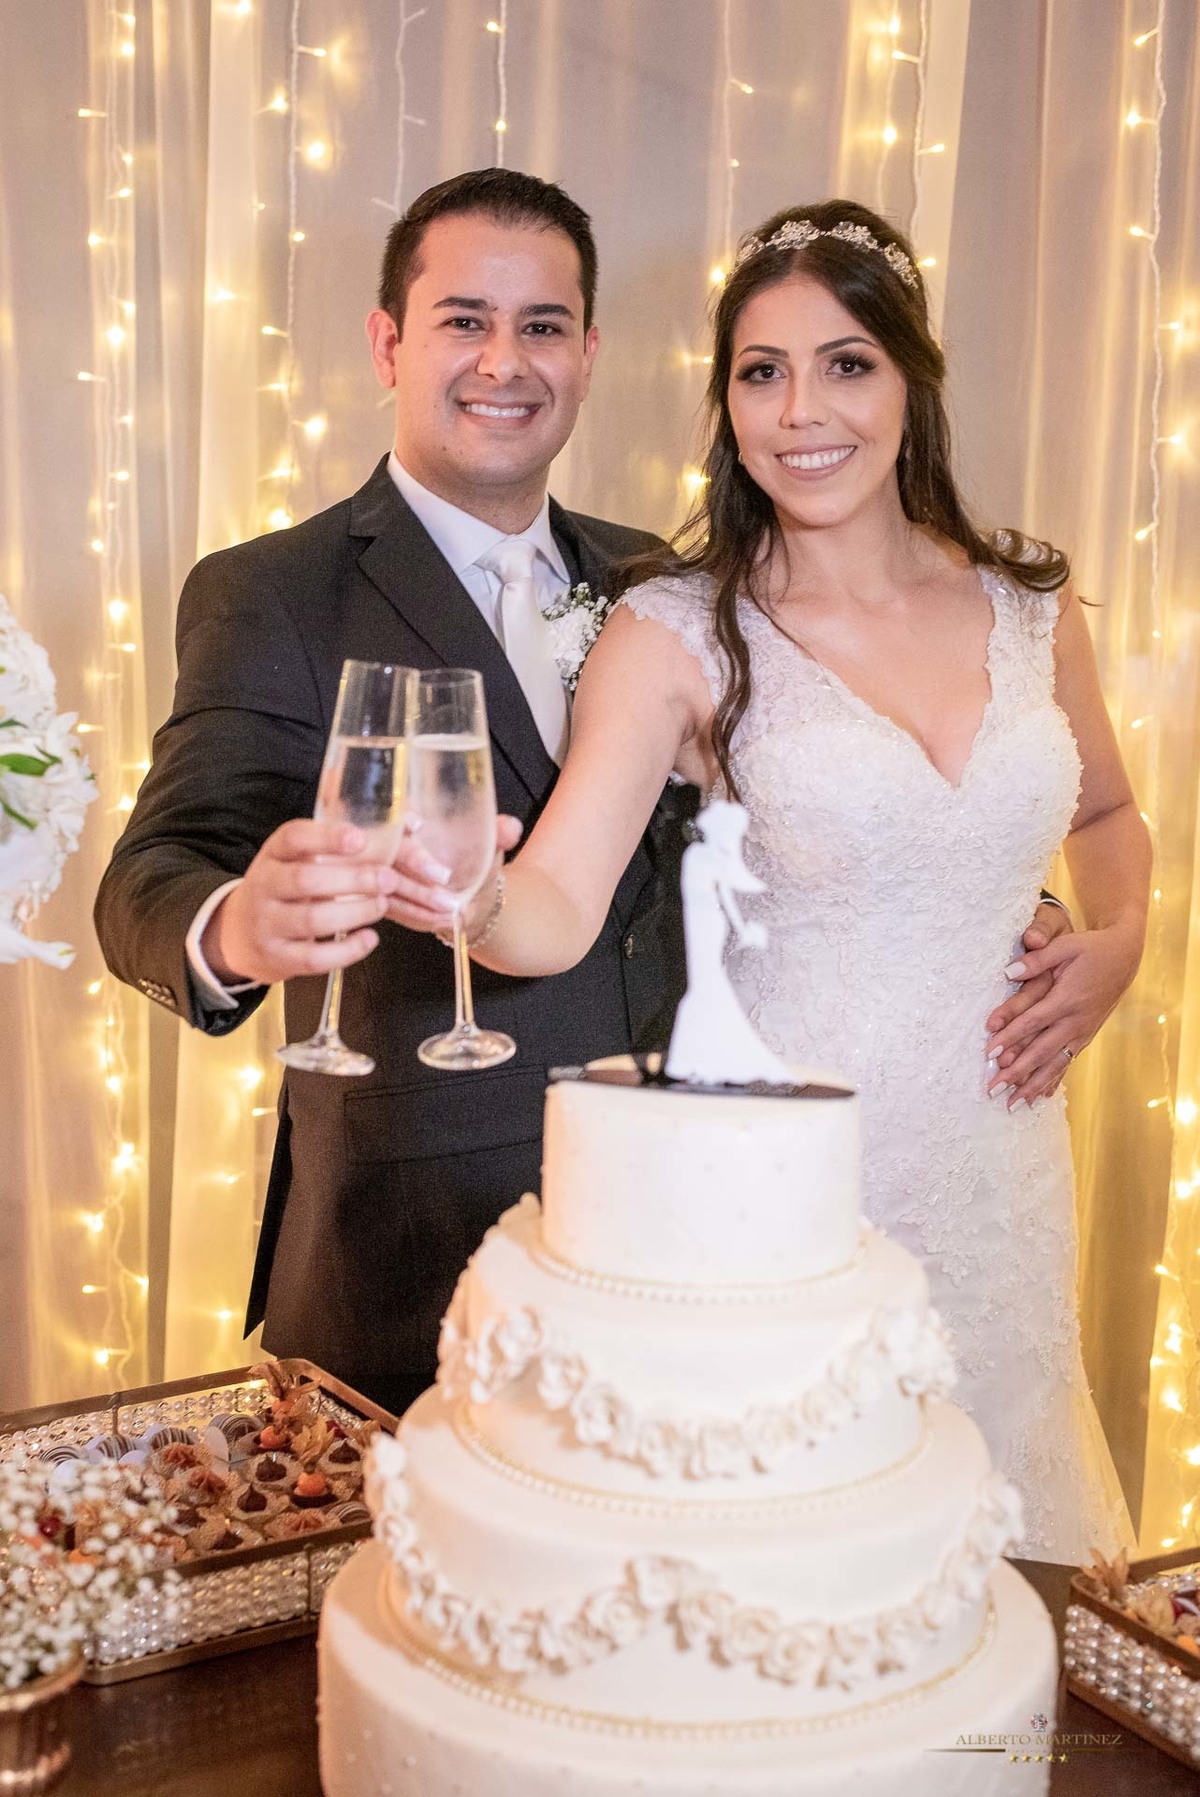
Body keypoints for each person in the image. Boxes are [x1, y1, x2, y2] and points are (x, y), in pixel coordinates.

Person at [392, 200, 1148, 1562]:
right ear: (726, 402)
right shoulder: (677, 629)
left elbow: (1108, 810)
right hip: (789, 1193)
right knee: (798, 1584)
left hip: (1002, 1174)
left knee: (996, 1586)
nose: (803, 408)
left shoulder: (1035, 604)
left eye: (846, 361)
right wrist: (469, 895)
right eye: (761, 370)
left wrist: (1129, 936)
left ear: (911, 383)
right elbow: (552, 907)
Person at [93, 169, 689, 1416]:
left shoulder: (658, 580)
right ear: (388, 343)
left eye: (541, 326)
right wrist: (241, 928)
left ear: (588, 355)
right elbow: (153, 876)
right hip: (410, 1257)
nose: (503, 362)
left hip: (673, 1229)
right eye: (463, 320)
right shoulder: (275, 593)